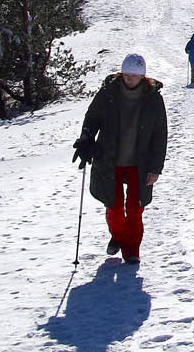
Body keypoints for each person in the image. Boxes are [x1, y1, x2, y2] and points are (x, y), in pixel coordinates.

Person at [71, 53, 167, 265]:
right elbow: (92, 117)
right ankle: (118, 235)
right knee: (113, 206)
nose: (129, 79)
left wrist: (155, 167)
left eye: (134, 75)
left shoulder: (153, 99)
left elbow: (160, 135)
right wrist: (87, 137)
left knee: (135, 209)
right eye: (126, 74)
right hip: (109, 159)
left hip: (139, 163)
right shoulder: (108, 93)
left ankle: (131, 250)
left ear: (142, 76)